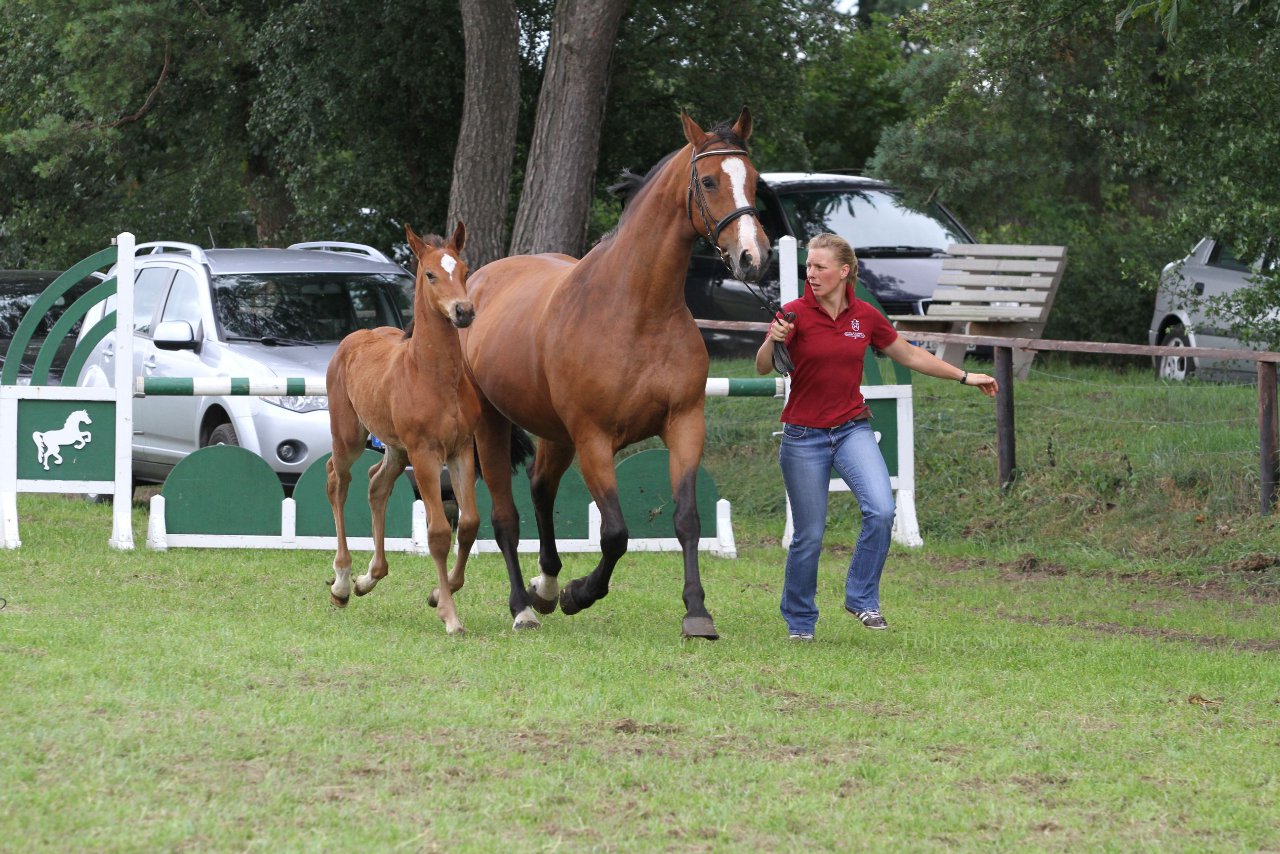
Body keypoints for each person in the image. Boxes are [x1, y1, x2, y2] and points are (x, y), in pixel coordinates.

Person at [755, 233, 998, 641]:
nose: (810, 274)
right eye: (808, 267)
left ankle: (861, 598)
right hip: (803, 437)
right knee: (809, 535)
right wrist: (772, 339)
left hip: (852, 428)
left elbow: (909, 354)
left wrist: (964, 375)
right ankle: (800, 622)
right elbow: (764, 367)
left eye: (819, 267)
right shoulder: (793, 313)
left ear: (844, 271)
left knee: (883, 510)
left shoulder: (865, 316)